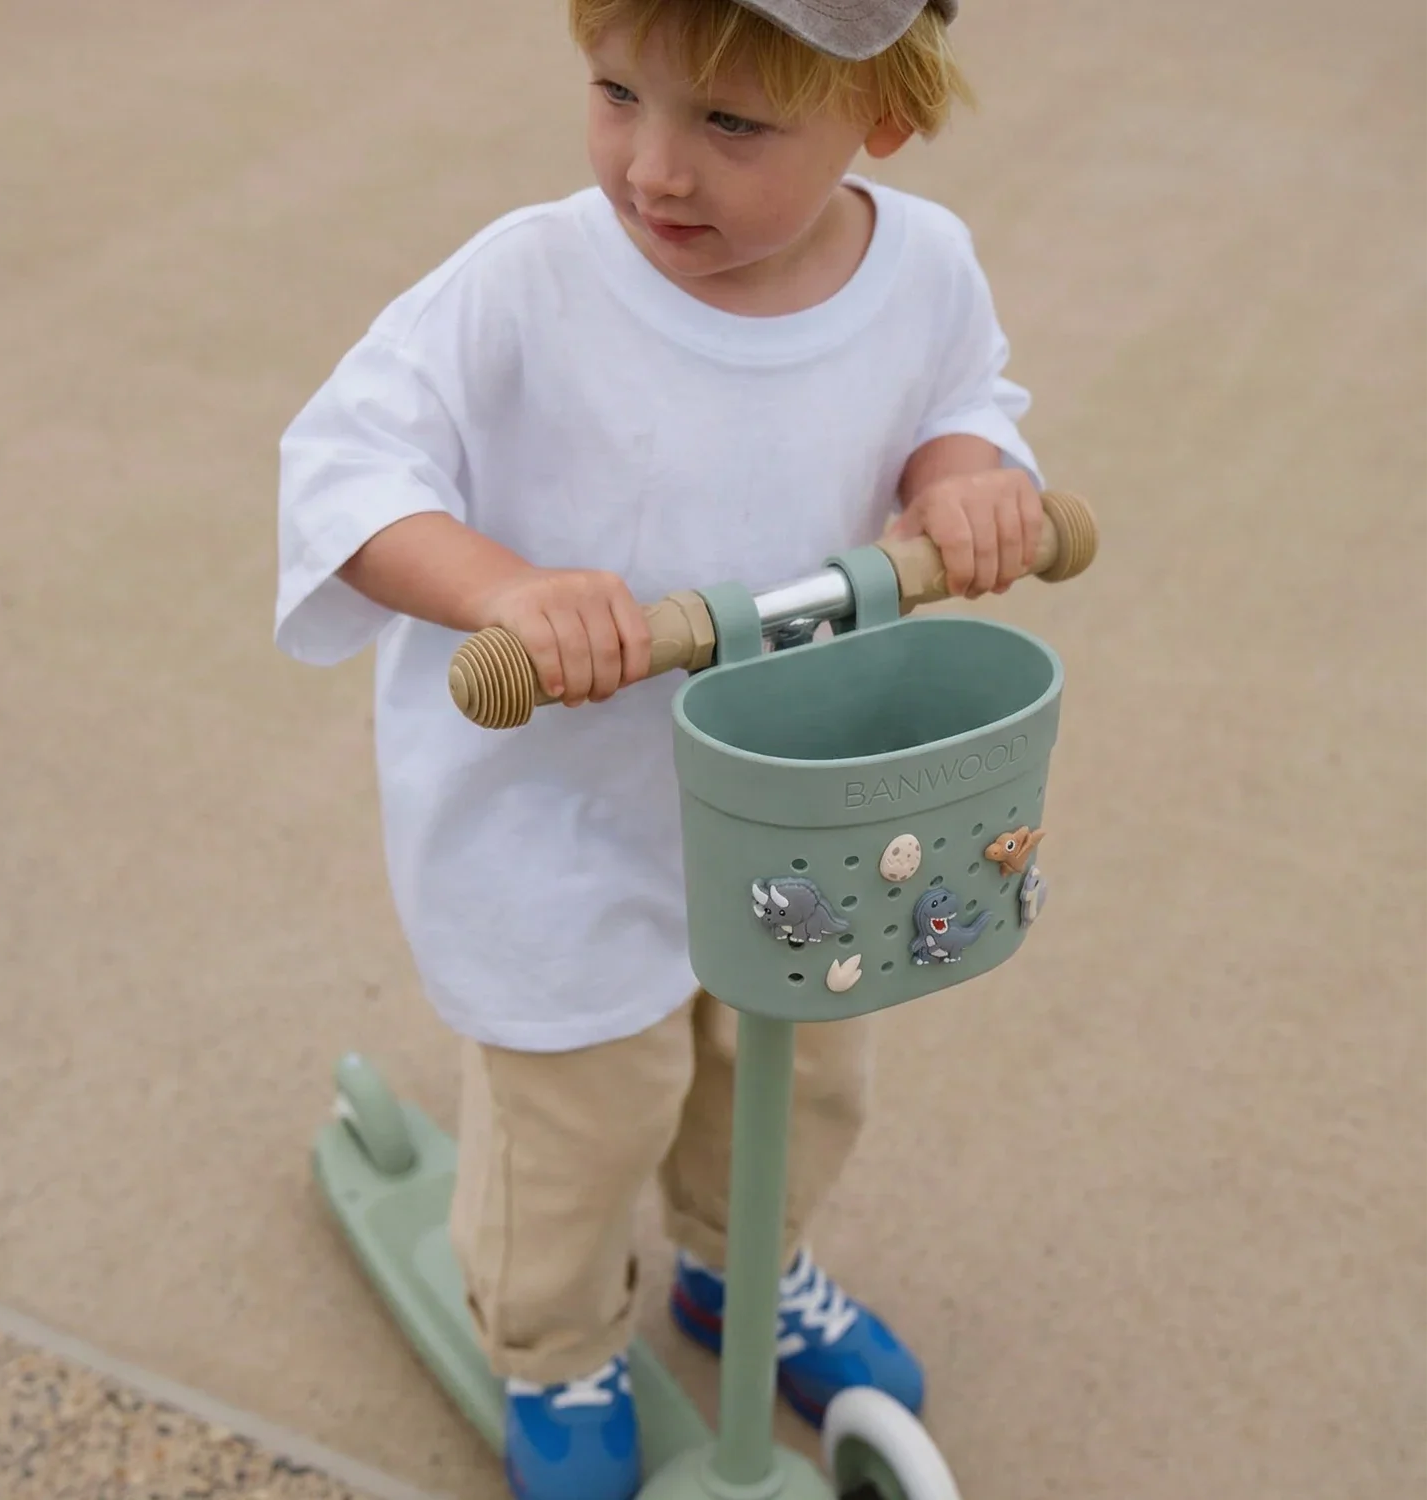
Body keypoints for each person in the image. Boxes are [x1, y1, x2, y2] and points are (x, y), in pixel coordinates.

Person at [276, 2, 1045, 1496]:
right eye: (618, 93)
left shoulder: (925, 267)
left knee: (804, 1072)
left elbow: (962, 402)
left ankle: (738, 1265)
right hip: (562, 818)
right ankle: (554, 1345)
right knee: (582, 1111)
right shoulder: (529, 284)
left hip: (796, 798)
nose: (655, 168)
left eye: (731, 125)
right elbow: (346, 466)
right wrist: (504, 589)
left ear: (880, 119)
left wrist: (970, 479)